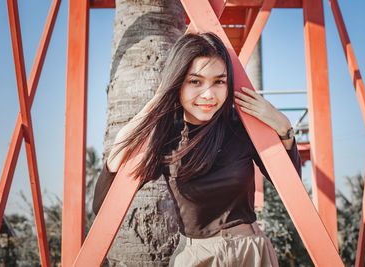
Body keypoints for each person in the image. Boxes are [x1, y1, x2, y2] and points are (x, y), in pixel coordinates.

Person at [93, 32, 301, 267]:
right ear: (177, 82)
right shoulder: (166, 137)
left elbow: (292, 187)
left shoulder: (241, 127)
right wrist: (137, 124)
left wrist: (283, 127)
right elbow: (101, 205)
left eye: (219, 81)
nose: (209, 94)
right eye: (195, 81)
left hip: (251, 252)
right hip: (198, 257)